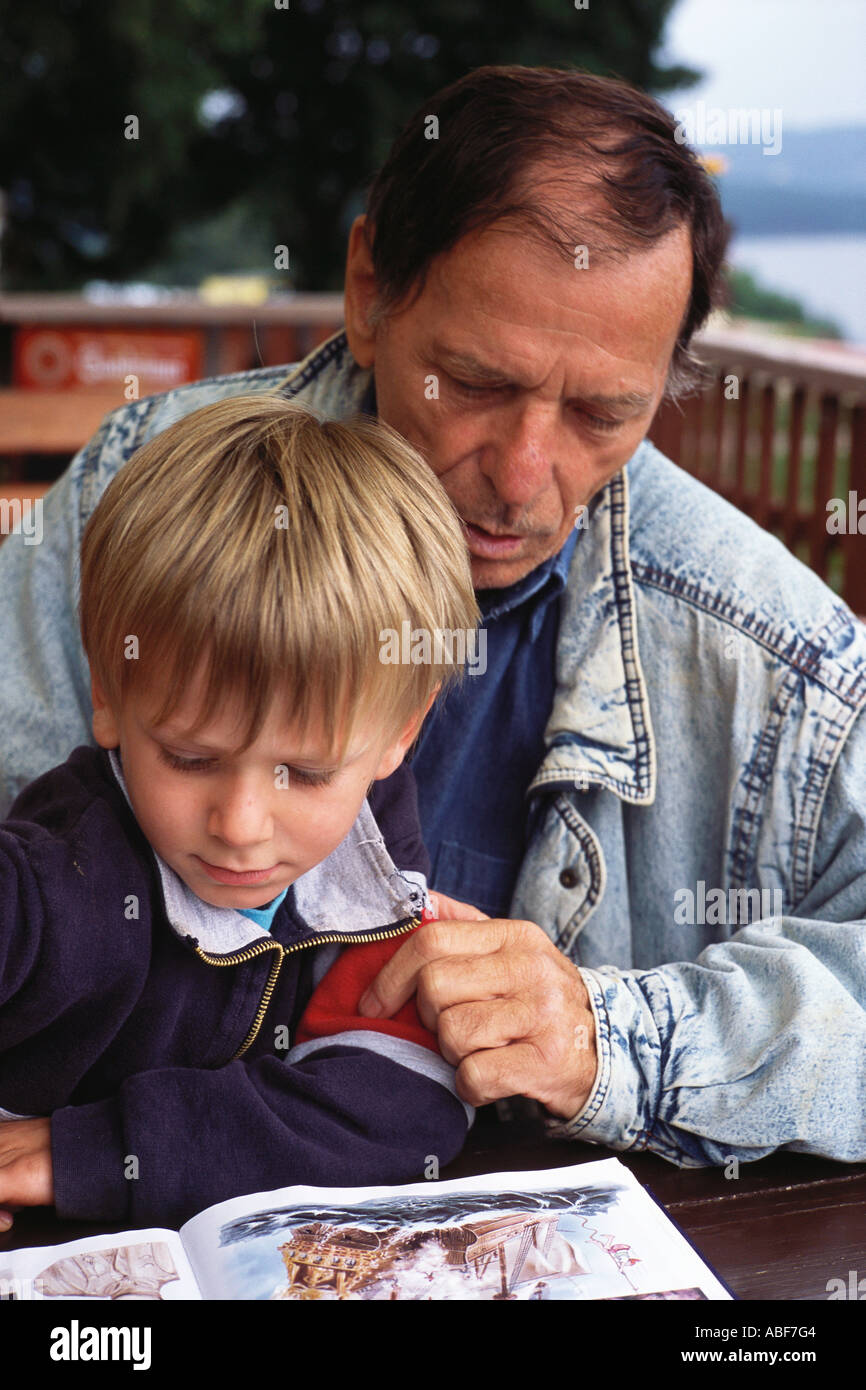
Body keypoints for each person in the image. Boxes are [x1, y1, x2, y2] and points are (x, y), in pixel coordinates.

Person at [0, 65, 863, 1173]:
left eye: (605, 413)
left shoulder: (783, 660)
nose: (521, 474)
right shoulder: (137, 482)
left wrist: (613, 1040)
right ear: (368, 292)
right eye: (474, 382)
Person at [0, 395, 479, 1229]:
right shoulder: (55, 877)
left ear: (398, 732)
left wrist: (96, 1152)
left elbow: (402, 1106)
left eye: (305, 770)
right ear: (109, 694)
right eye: (190, 759)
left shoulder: (370, 843)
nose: (242, 823)